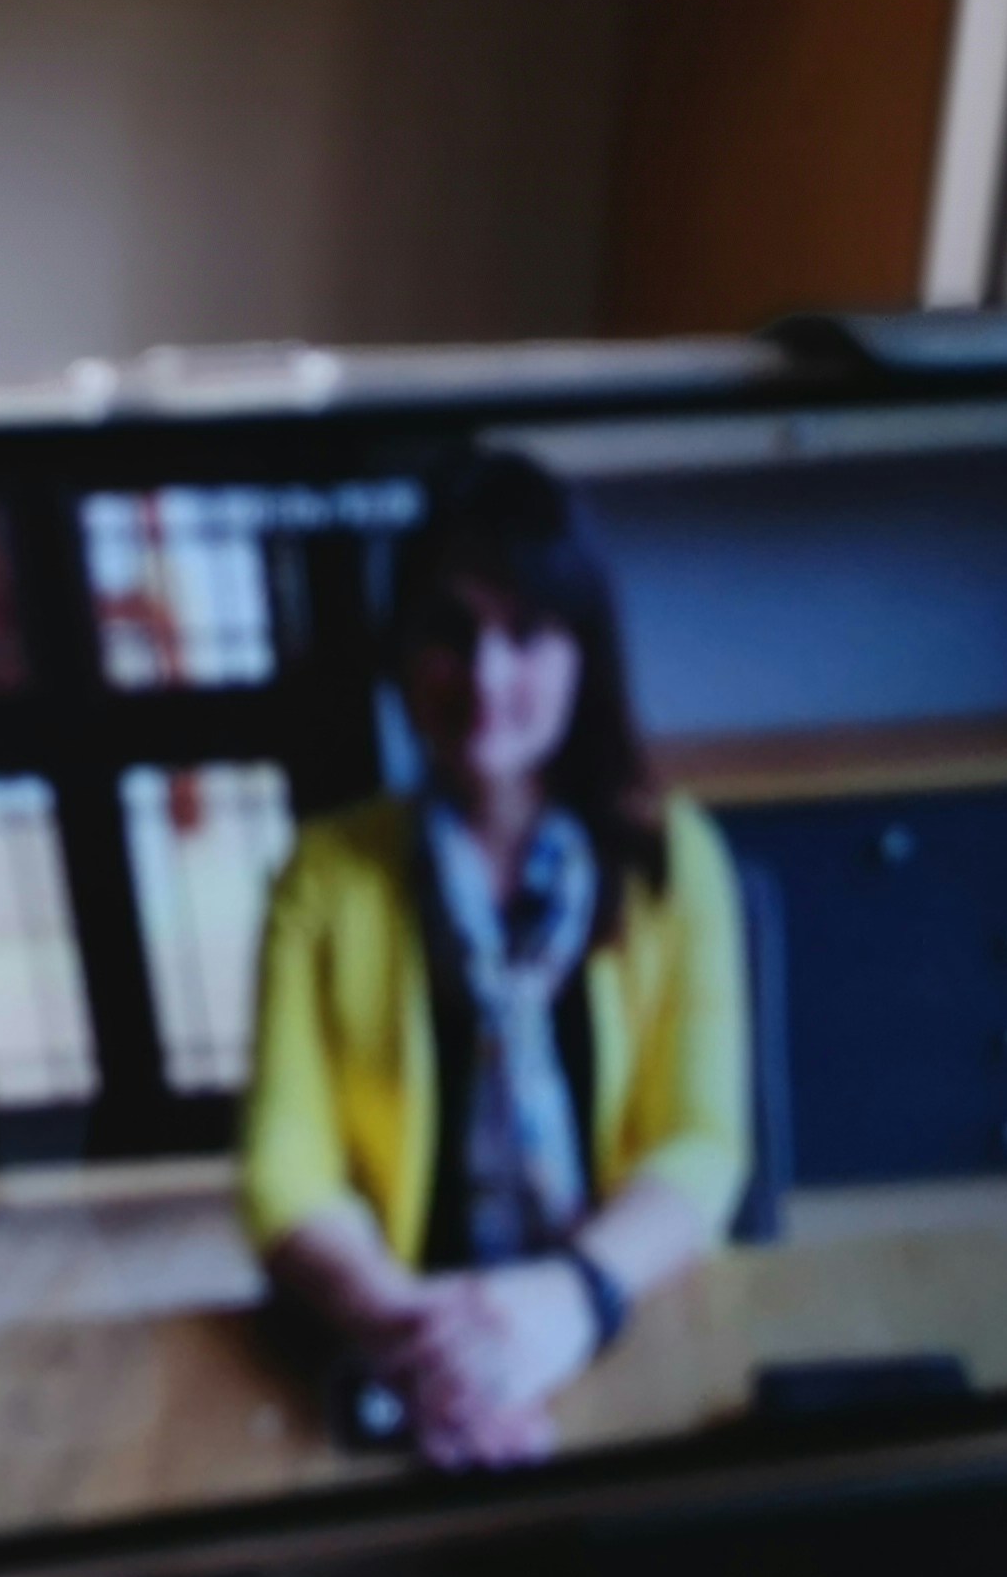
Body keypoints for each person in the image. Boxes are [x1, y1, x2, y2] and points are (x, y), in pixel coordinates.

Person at [239, 454, 747, 1466]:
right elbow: (282, 1165)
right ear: (402, 651)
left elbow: (701, 1144)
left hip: (619, 1304)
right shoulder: (321, 874)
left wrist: (568, 1297)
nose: (483, 675)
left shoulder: (670, 858)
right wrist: (415, 1335)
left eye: (524, 634)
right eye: (448, 631)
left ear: (582, 655)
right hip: (394, 1325)